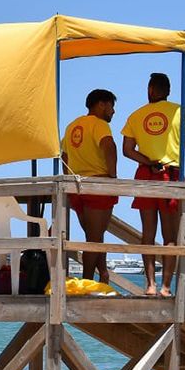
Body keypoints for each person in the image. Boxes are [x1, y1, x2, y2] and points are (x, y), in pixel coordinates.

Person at [123, 72, 185, 296]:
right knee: (170, 236)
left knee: (148, 233)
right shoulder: (182, 112)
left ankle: (149, 285)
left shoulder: (136, 115)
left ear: (150, 90)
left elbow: (127, 150)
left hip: (146, 176)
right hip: (172, 176)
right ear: (169, 91)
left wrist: (148, 161)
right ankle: (166, 287)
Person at [61, 88, 119, 283]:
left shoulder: (72, 126)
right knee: (94, 240)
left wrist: (68, 177)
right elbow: (109, 146)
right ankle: (87, 282)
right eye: (112, 106)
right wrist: (112, 175)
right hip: (98, 185)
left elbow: (64, 156)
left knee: (94, 235)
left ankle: (102, 274)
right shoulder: (99, 124)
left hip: (77, 187)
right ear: (101, 104)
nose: (113, 112)